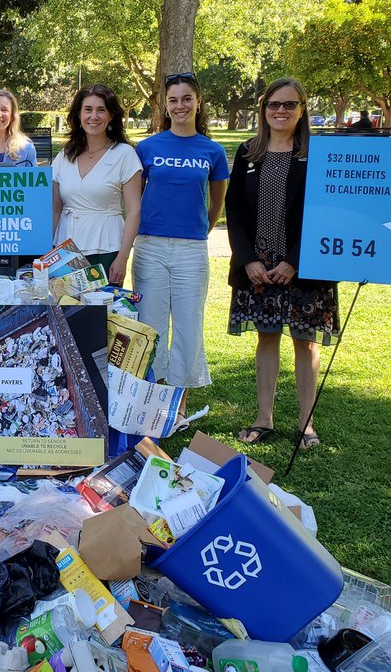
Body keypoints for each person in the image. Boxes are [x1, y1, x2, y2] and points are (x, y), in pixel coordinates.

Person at [226, 76, 340, 448]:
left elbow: (327, 214)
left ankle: (307, 423)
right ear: (264, 110)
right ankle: (264, 418)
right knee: (267, 338)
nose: (280, 111)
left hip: (303, 266)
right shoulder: (247, 152)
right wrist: (248, 261)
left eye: (289, 104)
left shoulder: (317, 155)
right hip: (258, 267)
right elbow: (235, 211)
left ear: (302, 109)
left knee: (305, 342)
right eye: (274, 104)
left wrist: (296, 260)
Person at [133, 73, 229, 398]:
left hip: (192, 249)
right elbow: (133, 199)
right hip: (150, 246)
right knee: (151, 324)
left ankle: (180, 403)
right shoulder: (146, 148)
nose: (180, 106)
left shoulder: (212, 151)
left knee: (189, 324)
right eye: (173, 100)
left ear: (198, 102)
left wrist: (201, 227)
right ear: (165, 105)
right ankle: (156, 398)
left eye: (186, 99)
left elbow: (217, 202)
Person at [52, 84, 142, 283]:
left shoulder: (124, 155)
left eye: (101, 110)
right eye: (88, 110)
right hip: (65, 250)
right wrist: (45, 251)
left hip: (106, 248)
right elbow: (55, 210)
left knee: (102, 311)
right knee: (66, 309)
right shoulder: (64, 156)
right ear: (79, 115)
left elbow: (134, 211)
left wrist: (123, 258)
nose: (94, 116)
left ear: (111, 116)